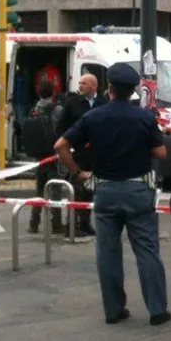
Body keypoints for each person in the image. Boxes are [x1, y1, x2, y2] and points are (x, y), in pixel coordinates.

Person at [54, 63, 171, 327]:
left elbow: (60, 145)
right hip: (137, 189)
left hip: (105, 190)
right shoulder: (143, 117)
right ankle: (157, 310)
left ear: (109, 89)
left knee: (107, 252)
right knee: (147, 251)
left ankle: (114, 310)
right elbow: (161, 153)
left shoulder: (94, 116)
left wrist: (78, 173)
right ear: (133, 91)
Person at [57, 73, 107, 237]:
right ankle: (71, 225)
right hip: (77, 155)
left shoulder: (103, 103)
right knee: (76, 190)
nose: (80, 86)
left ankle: (85, 223)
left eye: (84, 83)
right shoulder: (73, 103)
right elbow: (61, 127)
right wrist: (68, 145)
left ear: (94, 86)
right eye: (79, 83)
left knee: (91, 192)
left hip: (97, 155)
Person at [26, 79, 64, 235]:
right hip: (53, 156)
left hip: (39, 156)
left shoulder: (34, 109)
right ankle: (56, 224)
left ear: (39, 92)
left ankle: (33, 223)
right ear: (53, 92)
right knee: (55, 190)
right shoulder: (58, 110)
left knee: (39, 190)